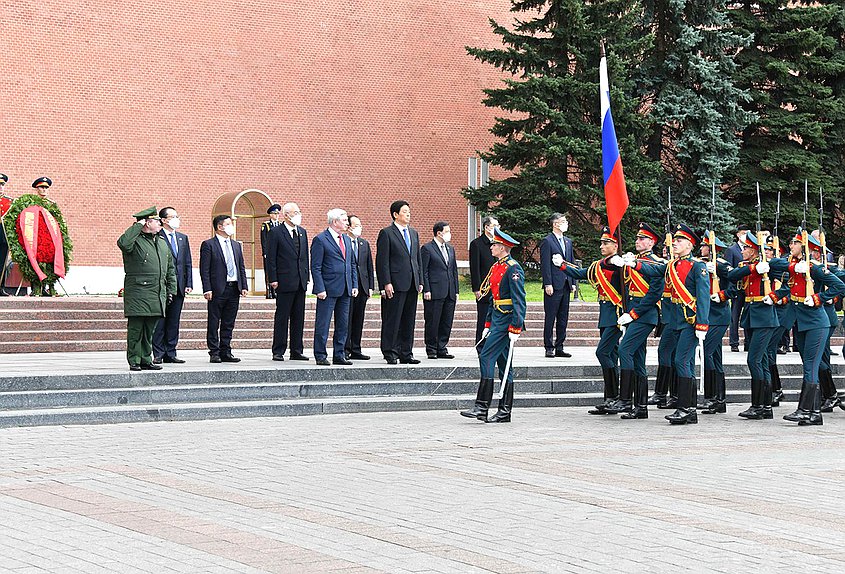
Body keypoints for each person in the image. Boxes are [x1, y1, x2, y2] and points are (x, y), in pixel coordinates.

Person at [625, 224, 710, 425]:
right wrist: (634, 265)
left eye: (680, 241)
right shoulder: (671, 265)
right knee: (683, 362)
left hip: (691, 322)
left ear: (690, 245)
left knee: (681, 361)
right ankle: (688, 410)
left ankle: (686, 408)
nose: (675, 244)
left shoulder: (698, 266)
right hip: (677, 321)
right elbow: (653, 270)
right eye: (675, 240)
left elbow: (704, 298)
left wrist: (702, 325)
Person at [767, 230, 845, 425]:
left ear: (805, 248)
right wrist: (775, 296)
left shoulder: (815, 268)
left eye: (795, 243)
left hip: (817, 323)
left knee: (811, 365)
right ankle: (814, 413)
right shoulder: (795, 267)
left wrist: (819, 298)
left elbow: (839, 286)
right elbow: (789, 287)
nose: (790, 245)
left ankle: (806, 410)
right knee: (809, 365)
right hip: (801, 323)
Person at [554, 226, 623, 415]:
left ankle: (615, 397)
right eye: (601, 242)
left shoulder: (620, 264)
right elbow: (581, 273)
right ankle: (610, 398)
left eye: (606, 242)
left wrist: (623, 264)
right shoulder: (599, 265)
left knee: (603, 353)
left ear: (616, 245)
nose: (601, 245)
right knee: (612, 355)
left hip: (617, 315)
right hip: (606, 315)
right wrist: (562, 265)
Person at [460, 228, 526, 423]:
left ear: (504, 247)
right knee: (505, 364)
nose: (491, 247)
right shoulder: (497, 266)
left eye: (495, 245)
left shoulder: (513, 268)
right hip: (497, 318)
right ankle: (504, 411)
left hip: (507, 322)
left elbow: (519, 300)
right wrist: (488, 322)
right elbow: (492, 296)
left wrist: (516, 326)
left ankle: (481, 406)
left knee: (487, 356)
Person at [605, 222, 664, 420]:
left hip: (644, 315)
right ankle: (640, 407)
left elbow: (654, 293)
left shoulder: (655, 262)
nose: (637, 241)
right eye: (637, 238)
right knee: (638, 361)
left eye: (642, 239)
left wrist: (635, 313)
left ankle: (625, 399)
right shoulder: (634, 259)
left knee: (624, 349)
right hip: (632, 313)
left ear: (651, 242)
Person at [726, 231, 778, 419]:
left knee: (754, 360)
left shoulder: (769, 265)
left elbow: (786, 281)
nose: (744, 250)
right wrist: (754, 268)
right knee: (761, 360)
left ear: (755, 251)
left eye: (747, 248)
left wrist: (773, 295)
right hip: (751, 315)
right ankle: (765, 406)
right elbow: (733, 275)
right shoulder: (747, 266)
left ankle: (759, 405)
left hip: (764, 316)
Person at [117, 207, 176, 371]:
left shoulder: (161, 243)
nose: (160, 224)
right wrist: (138, 225)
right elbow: (123, 243)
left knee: (149, 330)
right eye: (157, 221)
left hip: (157, 293)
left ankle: (145, 358)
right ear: (147, 222)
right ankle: (134, 359)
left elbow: (170, 268)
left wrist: (171, 289)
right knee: (136, 329)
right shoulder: (134, 241)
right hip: (138, 292)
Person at [376, 200, 423, 364]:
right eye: (404, 211)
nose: (408, 214)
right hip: (395, 283)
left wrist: (420, 280)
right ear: (395, 214)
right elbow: (382, 261)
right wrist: (386, 282)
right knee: (393, 318)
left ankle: (406, 352)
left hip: (412, 282)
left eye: (409, 211)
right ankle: (390, 351)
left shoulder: (413, 233)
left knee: (409, 319)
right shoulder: (387, 233)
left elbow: (417, 259)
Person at [311, 209, 358, 366]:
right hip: (328, 289)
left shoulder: (345, 239)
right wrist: (319, 288)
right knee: (323, 323)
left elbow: (351, 264)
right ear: (335, 221)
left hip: (345, 288)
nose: (347, 223)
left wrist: (354, 284)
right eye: (344, 220)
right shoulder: (321, 239)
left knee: (343, 323)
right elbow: (316, 267)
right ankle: (320, 354)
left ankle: (339, 354)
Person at [199, 215, 248, 363]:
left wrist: (244, 285)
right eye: (228, 224)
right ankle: (214, 351)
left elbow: (241, 267)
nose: (231, 226)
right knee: (214, 322)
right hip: (217, 289)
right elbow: (204, 269)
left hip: (234, 288)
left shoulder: (236, 245)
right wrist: (207, 288)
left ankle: (226, 350)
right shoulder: (209, 245)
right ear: (220, 227)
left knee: (229, 322)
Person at [697, 232, 737, 414]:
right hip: (707, 315)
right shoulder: (701, 264)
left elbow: (734, 288)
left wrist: (721, 295)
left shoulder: (722, 266)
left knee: (706, 353)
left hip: (719, 315)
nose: (702, 248)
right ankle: (719, 400)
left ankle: (712, 397)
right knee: (715, 356)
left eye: (706, 246)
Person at [266, 202, 310, 361]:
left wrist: (307, 277)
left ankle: (296, 350)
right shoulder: (276, 232)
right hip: (284, 280)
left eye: (299, 211)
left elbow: (305, 257)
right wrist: (273, 278)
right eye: (295, 212)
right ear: (286, 215)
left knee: (299, 317)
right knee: (282, 317)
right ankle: (278, 350)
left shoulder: (302, 232)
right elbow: (271, 258)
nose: (298, 214)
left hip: (300, 281)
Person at [152, 207, 192, 364]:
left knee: (174, 321)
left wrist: (188, 283)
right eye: (172, 216)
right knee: (160, 321)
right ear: (163, 220)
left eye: (177, 216)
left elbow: (187, 262)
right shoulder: (157, 236)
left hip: (180, 286)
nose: (176, 219)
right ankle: (158, 353)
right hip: (163, 287)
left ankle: (171, 352)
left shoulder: (182, 238)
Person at [421, 221, 459, 359]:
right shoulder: (427, 248)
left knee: (446, 321)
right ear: (439, 232)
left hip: (449, 291)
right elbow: (424, 271)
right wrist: (426, 289)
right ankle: (431, 348)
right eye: (447, 231)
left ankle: (442, 347)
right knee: (433, 320)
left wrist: (456, 290)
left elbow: (453, 270)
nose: (449, 234)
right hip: (434, 291)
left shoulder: (450, 248)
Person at [540, 213, 575, 357]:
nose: (565, 223)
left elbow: (570, 262)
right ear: (555, 224)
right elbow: (545, 264)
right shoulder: (547, 241)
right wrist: (548, 283)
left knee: (563, 317)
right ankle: (549, 346)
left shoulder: (568, 241)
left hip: (566, 283)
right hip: (553, 284)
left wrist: (573, 282)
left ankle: (560, 345)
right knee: (551, 316)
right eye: (563, 221)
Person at [345, 214, 374, 360]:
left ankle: (356, 348)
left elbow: (369, 265)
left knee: (358, 318)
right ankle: (345, 348)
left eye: (360, 225)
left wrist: (370, 286)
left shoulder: (364, 244)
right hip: (348, 285)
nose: (359, 228)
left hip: (362, 286)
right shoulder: (343, 242)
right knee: (347, 318)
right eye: (356, 225)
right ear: (348, 227)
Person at [469, 216, 498, 351]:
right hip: (484, 288)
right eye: (494, 226)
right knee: (483, 318)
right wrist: (477, 288)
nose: (497, 229)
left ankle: (492, 345)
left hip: (497, 289)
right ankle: (481, 345)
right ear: (487, 227)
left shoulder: (498, 244)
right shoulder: (477, 244)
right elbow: (474, 268)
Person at [725, 224, 749, 352]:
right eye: (744, 233)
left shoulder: (750, 248)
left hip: (748, 287)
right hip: (737, 287)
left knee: (748, 314)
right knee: (735, 314)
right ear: (738, 235)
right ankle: (734, 342)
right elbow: (728, 269)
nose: (745, 235)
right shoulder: (732, 250)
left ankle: (747, 341)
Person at [260, 203, 282, 299]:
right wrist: (265, 252)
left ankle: (277, 291)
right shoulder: (266, 225)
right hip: (269, 253)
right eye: (274, 214)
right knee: (269, 272)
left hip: (278, 253)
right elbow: (264, 239)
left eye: (277, 214)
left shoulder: (281, 225)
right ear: (270, 215)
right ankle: (269, 291)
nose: (276, 215)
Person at [0, 174, 11, 295]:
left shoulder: (10, 201)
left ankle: (1, 287)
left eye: (2, 185)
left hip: (3, 236)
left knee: (2, 262)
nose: (0, 187)